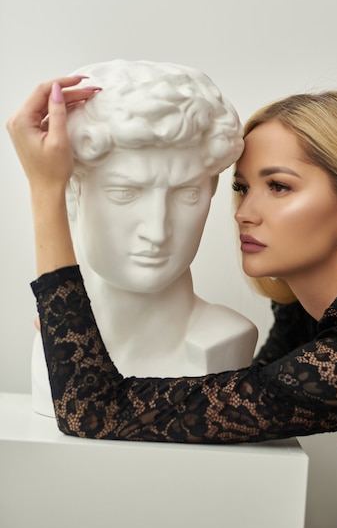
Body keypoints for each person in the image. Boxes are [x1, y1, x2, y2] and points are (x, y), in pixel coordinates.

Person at [7, 78, 337, 524]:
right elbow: (244, 396)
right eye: (241, 188)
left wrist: (45, 189)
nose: (244, 212)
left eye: (278, 186)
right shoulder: (316, 317)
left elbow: (94, 411)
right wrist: (75, 337)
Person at [30, 59, 258, 417]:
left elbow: (93, 410)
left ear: (211, 189)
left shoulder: (224, 342)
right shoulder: (55, 338)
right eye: (126, 193)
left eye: (186, 193)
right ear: (74, 192)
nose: (157, 229)